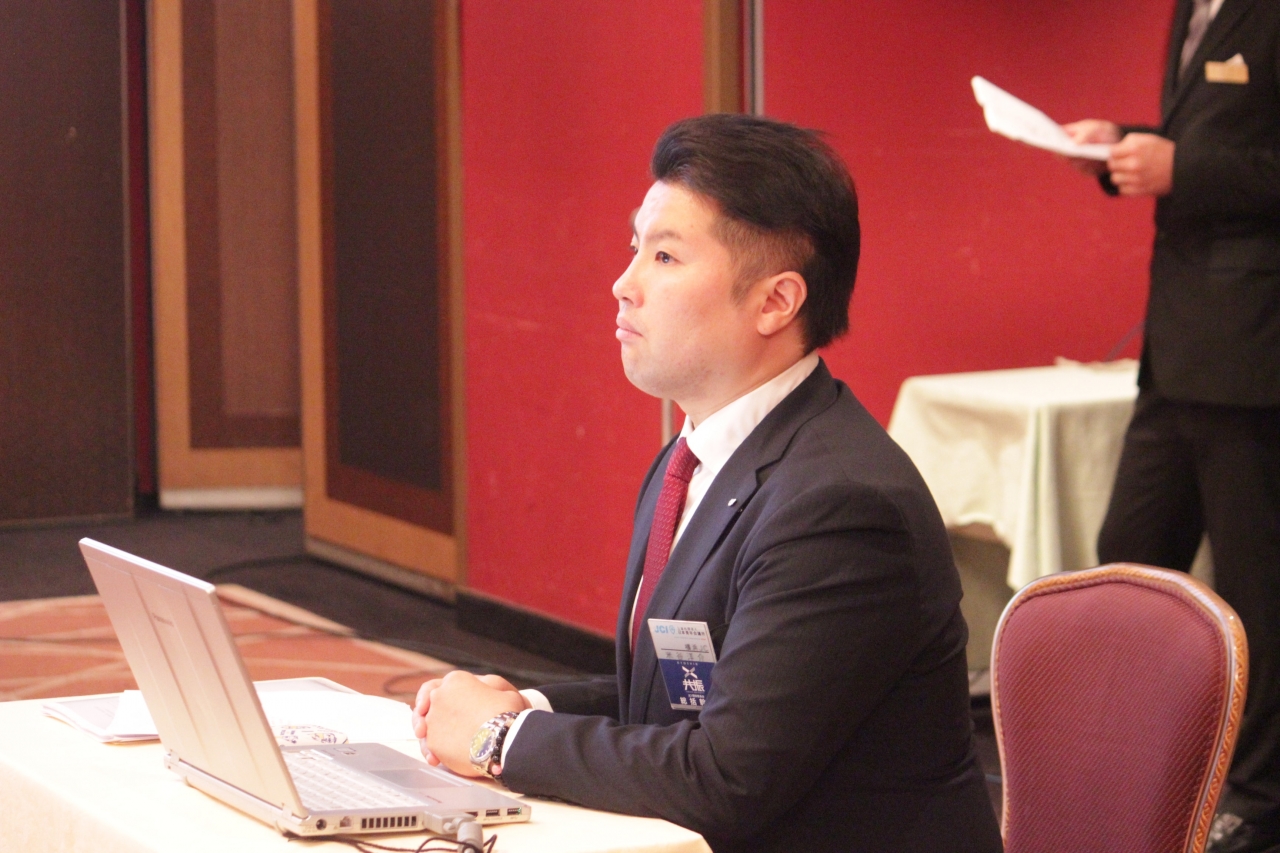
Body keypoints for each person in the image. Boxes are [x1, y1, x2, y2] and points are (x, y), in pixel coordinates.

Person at [412, 113, 1002, 853]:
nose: (624, 284)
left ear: (775, 302)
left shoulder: (842, 506)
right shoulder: (692, 456)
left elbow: (726, 775)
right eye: (635, 247)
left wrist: (502, 738)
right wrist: (525, 704)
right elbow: (678, 697)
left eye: (664, 256)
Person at [1064, 2, 1280, 851]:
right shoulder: (1193, 7)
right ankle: (1133, 759)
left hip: (1254, 345)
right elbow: (1217, 135)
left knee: (1256, 586)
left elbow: (1237, 160)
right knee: (1130, 554)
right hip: (1178, 340)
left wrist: (1182, 165)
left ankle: (1257, 794)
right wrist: (1120, 144)